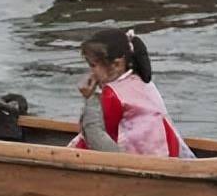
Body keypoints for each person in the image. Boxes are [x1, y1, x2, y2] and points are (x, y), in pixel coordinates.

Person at [69, 28, 192, 159]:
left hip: (139, 160)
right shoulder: (142, 81)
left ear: (117, 64)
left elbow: (95, 137)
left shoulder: (111, 94)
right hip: (166, 153)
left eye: (92, 65)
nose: (91, 72)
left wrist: (91, 97)